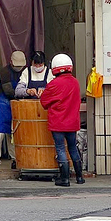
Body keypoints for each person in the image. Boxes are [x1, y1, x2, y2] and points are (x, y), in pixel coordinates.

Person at [39, 53, 85, 187]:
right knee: (73, 148)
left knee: (60, 148)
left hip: (58, 122)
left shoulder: (53, 84)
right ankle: (79, 177)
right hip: (72, 122)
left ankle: (64, 179)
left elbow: (44, 102)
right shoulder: (75, 82)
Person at [0, 50, 27, 168]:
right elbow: (8, 91)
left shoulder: (26, 72)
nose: (19, 68)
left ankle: (15, 159)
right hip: (2, 104)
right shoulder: (4, 73)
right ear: (11, 62)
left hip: (16, 104)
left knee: (13, 133)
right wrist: (24, 93)